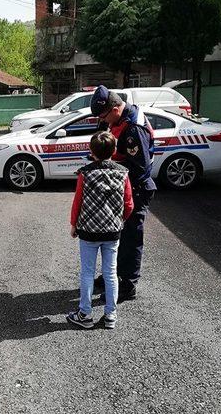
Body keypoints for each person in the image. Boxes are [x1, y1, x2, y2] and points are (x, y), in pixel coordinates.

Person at [90, 85, 156, 302]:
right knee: (118, 237)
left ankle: (127, 286)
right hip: (123, 188)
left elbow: (140, 168)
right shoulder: (118, 120)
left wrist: (110, 170)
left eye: (104, 116)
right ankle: (114, 275)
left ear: (115, 109)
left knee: (131, 239)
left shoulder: (133, 129)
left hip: (135, 190)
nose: (104, 122)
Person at [66, 132, 134, 330]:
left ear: (91, 152)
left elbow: (77, 202)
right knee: (110, 273)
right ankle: (110, 315)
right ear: (114, 150)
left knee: (87, 272)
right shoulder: (123, 173)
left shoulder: (85, 174)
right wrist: (119, 220)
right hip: (112, 231)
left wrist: (74, 224)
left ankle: (85, 314)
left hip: (88, 231)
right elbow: (129, 203)